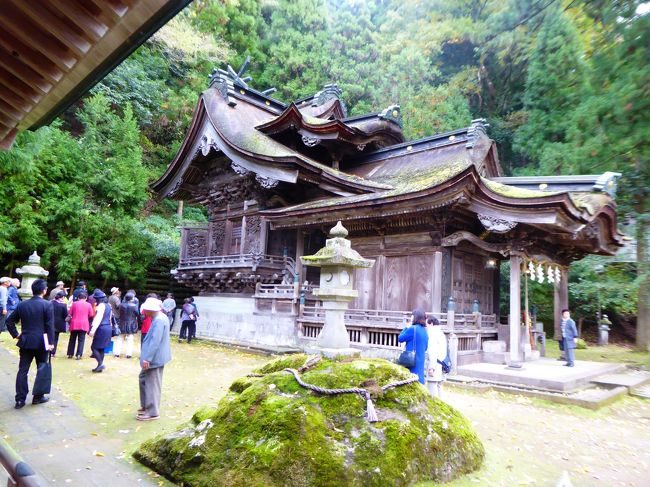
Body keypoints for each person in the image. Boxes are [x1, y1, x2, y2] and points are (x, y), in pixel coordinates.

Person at [5, 279, 55, 408]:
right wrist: (51, 343)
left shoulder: (22, 305)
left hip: (26, 341)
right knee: (42, 369)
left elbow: (9, 321)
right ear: (44, 291)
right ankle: (38, 397)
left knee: (23, 370)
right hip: (42, 342)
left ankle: (20, 399)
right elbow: (50, 326)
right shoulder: (47, 304)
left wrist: (16, 334)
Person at [137, 297, 171, 421]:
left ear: (150, 309)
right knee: (143, 379)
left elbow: (155, 341)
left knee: (152, 383)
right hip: (155, 357)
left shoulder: (159, 320)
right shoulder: (159, 318)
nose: (143, 311)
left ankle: (152, 412)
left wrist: (148, 358)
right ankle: (146, 405)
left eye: (145, 309)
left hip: (154, 358)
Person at [398, 309, 429, 384]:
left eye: (412, 316)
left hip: (411, 360)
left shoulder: (413, 328)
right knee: (419, 379)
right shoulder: (424, 331)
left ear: (415, 317)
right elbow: (426, 347)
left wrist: (406, 327)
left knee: (411, 380)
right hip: (420, 359)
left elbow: (400, 338)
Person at [88, 289, 112, 373]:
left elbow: (98, 319)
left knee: (94, 347)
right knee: (101, 348)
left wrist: (92, 330)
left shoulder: (101, 306)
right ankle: (99, 366)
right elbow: (110, 319)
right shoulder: (109, 305)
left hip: (102, 328)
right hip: (108, 327)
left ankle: (100, 363)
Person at [425, 317, 448, 399]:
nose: (426, 326)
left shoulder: (431, 333)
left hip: (435, 363)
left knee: (432, 387)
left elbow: (432, 351)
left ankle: (434, 409)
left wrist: (431, 367)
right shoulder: (441, 333)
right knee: (439, 387)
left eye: (426, 324)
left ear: (431, 324)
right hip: (442, 363)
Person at [67, 291, 94, 359]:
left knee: (72, 339)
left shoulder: (74, 304)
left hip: (74, 323)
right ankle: (79, 354)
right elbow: (91, 315)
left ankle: (70, 353)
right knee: (81, 340)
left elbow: (70, 313)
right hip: (84, 323)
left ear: (78, 298)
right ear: (86, 298)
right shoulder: (88, 305)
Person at [115, 293, 141, 358]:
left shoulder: (121, 305)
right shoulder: (134, 306)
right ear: (132, 299)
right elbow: (137, 314)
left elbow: (118, 310)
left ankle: (117, 353)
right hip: (131, 323)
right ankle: (128, 354)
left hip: (122, 322)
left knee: (120, 338)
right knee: (130, 339)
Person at [51, 291, 69, 357]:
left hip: (50, 322)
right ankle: (52, 352)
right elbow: (65, 315)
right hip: (58, 324)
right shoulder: (63, 305)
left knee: (48, 336)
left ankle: (47, 350)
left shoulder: (50, 303)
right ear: (63, 297)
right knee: (55, 338)